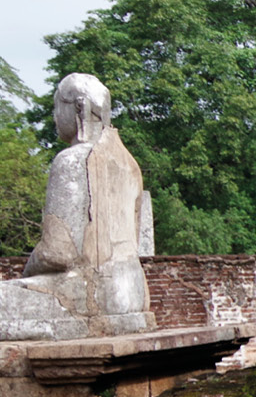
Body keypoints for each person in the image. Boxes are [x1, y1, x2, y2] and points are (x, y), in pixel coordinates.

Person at [0, 73, 153, 341]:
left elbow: (58, 253)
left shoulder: (71, 161)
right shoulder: (130, 165)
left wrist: (28, 267)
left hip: (89, 292)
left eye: (58, 106)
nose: (55, 115)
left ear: (78, 108)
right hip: (134, 293)